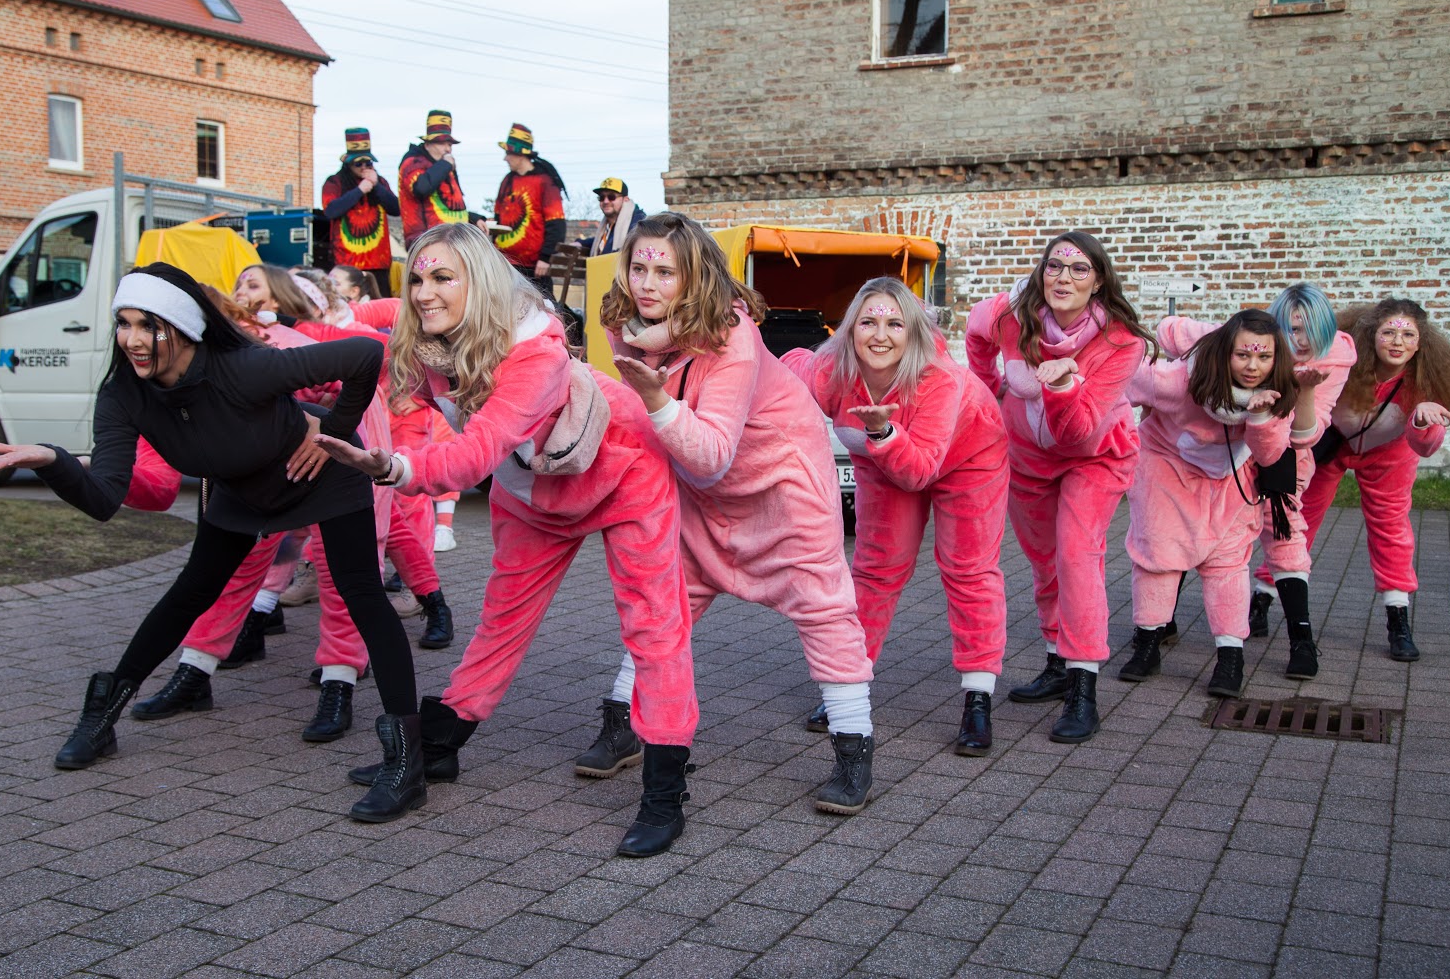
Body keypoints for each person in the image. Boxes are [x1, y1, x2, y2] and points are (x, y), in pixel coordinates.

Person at [0, 264, 425, 823]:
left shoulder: (244, 368)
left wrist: (332, 431)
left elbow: (364, 354)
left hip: (320, 476)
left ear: (184, 327)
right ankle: (102, 717)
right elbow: (104, 497)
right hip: (240, 487)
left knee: (362, 595)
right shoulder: (124, 395)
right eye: (123, 323)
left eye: (149, 325)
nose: (133, 339)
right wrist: (53, 461)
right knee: (190, 592)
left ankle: (407, 762)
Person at [317, 222, 699, 858]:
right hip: (533, 490)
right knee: (502, 620)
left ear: (481, 284)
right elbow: (359, 343)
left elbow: (473, 454)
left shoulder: (534, 354)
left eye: (443, 278)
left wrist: (392, 467)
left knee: (654, 627)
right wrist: (292, 335)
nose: (424, 292)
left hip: (625, 468)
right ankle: (440, 745)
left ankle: (664, 789)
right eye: (417, 278)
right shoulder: (431, 344)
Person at [594, 212, 876, 815]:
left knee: (824, 607)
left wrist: (654, 400)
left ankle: (853, 747)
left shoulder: (731, 334)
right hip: (705, 490)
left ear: (695, 277)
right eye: (639, 268)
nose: (647, 283)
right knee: (664, 598)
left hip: (781, 481)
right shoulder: (626, 326)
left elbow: (713, 450)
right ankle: (624, 722)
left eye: (665, 271)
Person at [784, 277, 1010, 757]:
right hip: (885, 458)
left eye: (895, 324)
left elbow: (919, 470)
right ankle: (847, 684)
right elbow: (782, 369)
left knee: (968, 569)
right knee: (875, 569)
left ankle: (978, 698)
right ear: (850, 329)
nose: (880, 335)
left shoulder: (939, 379)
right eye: (868, 322)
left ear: (913, 332)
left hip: (970, 455)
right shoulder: (831, 370)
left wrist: (882, 431)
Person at [964, 231, 1153, 742]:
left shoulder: (1121, 342)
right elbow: (975, 333)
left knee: (1076, 554)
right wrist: (988, 385)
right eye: (1054, 266)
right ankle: (1056, 661)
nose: (1063, 277)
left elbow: (1077, 430)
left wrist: (1064, 383)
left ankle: (1083, 685)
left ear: (1098, 281)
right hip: (1027, 457)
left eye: (1078, 269)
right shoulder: (1011, 316)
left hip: (1095, 455)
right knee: (1044, 558)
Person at [1156, 283, 1354, 680]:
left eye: (1311, 331)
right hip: (1232, 453)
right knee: (1192, 527)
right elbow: (1169, 332)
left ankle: (1301, 640)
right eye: (1292, 329)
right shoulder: (1254, 343)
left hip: (1285, 456)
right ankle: (1162, 620)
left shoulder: (1333, 359)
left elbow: (1306, 435)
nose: (1301, 341)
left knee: (1285, 535)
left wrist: (1306, 391)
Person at [1117, 309, 1298, 698]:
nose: (1253, 366)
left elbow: (1269, 455)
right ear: (1226, 352)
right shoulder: (1180, 379)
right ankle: (1147, 643)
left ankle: (1231, 658)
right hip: (1167, 468)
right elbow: (1122, 381)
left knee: (1228, 565)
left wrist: (1261, 416)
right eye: (1242, 355)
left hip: (1229, 483)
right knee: (1158, 557)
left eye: (1263, 357)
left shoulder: (1279, 394)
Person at [1298, 298, 1450, 662]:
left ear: (1420, 343)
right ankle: (1265, 595)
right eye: (1389, 333)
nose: (1398, 342)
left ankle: (1398, 621)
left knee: (1391, 529)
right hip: (1332, 447)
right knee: (1299, 518)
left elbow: (1425, 447)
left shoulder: (1424, 384)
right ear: (1371, 336)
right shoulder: (1345, 364)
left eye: (1408, 335)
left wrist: (1423, 420)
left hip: (1390, 456)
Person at [491, 123, 566, 300]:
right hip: (506, 265)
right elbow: (498, 218)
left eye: (508, 153)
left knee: (542, 309)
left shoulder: (545, 181)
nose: (505, 158)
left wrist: (545, 258)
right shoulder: (507, 181)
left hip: (535, 269)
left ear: (520, 154)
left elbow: (556, 224)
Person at [322, 128, 401, 296]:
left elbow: (396, 209)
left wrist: (376, 186)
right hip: (348, 263)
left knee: (379, 302)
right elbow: (331, 211)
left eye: (368, 163)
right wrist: (359, 190)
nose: (364, 167)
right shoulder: (334, 182)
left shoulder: (380, 183)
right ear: (348, 164)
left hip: (378, 262)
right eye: (358, 164)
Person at [398, 110, 470, 248]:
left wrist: (475, 219)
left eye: (449, 145)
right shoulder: (413, 162)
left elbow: (452, 208)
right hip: (427, 242)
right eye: (442, 143)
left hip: (450, 241)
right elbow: (421, 188)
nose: (448, 149)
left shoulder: (443, 167)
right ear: (427, 144)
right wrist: (445, 164)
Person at [588, 177, 646, 257]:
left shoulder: (638, 221)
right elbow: (605, 241)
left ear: (625, 199)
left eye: (611, 197)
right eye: (601, 197)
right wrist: (580, 242)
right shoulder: (608, 226)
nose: (605, 201)